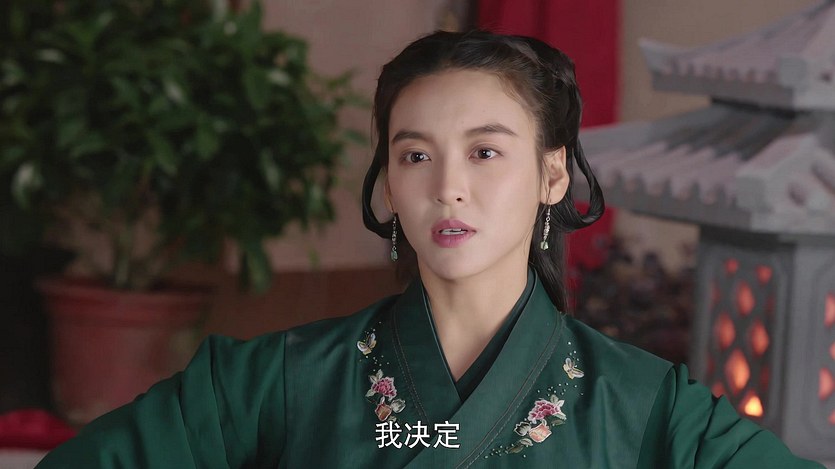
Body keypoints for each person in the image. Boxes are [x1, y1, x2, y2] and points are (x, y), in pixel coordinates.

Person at [37, 30, 823, 468]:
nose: (447, 187)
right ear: (387, 181)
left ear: (553, 174)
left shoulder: (649, 406)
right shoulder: (269, 382)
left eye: (485, 152)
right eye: (415, 154)